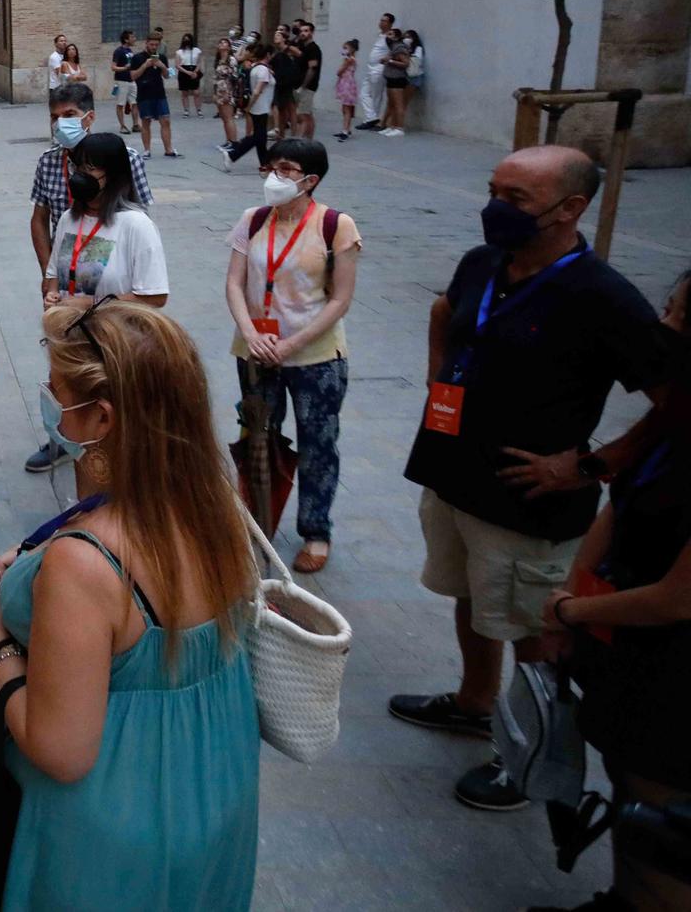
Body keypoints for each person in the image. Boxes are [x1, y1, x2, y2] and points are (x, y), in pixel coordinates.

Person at [390, 146, 671, 812]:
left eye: (514, 197)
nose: (494, 207)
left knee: (531, 627)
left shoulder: (605, 297)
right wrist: (439, 385)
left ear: (570, 208)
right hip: (455, 477)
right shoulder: (482, 263)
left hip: (529, 500)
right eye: (494, 189)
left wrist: (592, 462)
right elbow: (444, 313)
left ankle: (527, 759)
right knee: (471, 596)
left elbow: (675, 403)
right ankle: (473, 700)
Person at [0, 300, 260, 911]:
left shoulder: (87, 562)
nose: (46, 396)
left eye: (57, 389)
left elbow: (62, 750)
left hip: (107, 834)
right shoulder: (217, 511)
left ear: (102, 417)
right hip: (216, 793)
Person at [541, 269, 691, 912]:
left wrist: (572, 608)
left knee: (664, 823)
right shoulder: (675, 413)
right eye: (669, 308)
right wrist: (572, 599)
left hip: (677, 674)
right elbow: (618, 502)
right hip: (628, 645)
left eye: (680, 316)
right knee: (630, 787)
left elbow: (678, 598)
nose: (665, 327)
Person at [224, 139, 362, 573]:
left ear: (310, 180)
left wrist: (289, 345)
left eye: (286, 169)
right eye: (273, 167)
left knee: (318, 441)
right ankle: (257, 520)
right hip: (255, 350)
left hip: (315, 356)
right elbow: (234, 283)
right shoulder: (253, 219)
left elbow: (340, 300)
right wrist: (251, 335)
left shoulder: (336, 226)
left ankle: (316, 531)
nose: (274, 177)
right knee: (258, 438)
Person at [27, 84, 157, 470]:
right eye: (54, 116)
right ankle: (62, 438)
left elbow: (150, 288)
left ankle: (116, 445)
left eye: (67, 115)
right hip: (67, 270)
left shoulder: (125, 169)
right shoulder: (62, 200)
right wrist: (51, 280)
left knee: (108, 369)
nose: (59, 123)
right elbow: (39, 220)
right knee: (64, 363)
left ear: (88, 115)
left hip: (105, 285)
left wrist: (97, 300)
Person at [44, 133, 170, 314]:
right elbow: (54, 272)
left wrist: (89, 303)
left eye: (90, 168)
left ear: (113, 176)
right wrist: (53, 292)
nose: (81, 175)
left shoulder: (137, 225)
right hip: (70, 335)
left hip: (117, 337)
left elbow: (155, 297)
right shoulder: (68, 219)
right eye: (78, 167)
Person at [217, 42, 276, 171]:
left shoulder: (256, 68)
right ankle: (232, 155)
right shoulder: (263, 70)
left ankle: (264, 162)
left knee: (261, 137)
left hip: (259, 107)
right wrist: (249, 106)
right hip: (260, 107)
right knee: (258, 137)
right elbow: (257, 91)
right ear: (267, 55)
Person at [129, 32, 178, 158]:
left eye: (156, 45)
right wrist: (145, 65)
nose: (154, 47)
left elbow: (167, 76)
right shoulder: (137, 58)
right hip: (144, 94)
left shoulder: (162, 57)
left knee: (166, 121)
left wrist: (162, 66)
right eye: (151, 44)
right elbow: (133, 76)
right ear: (146, 43)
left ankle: (169, 149)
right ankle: (147, 150)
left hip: (159, 93)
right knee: (146, 122)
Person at [359, 12, 395, 130]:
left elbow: (395, 49)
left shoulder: (390, 36)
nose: (381, 23)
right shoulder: (379, 35)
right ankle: (371, 117)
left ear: (390, 23)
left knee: (376, 95)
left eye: (384, 21)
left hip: (379, 68)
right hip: (370, 67)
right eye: (381, 20)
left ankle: (373, 120)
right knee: (364, 93)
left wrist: (388, 58)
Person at [269, 23, 303, 140]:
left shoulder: (289, 48)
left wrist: (288, 49)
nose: (275, 38)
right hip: (280, 82)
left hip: (289, 82)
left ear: (284, 38)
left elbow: (299, 55)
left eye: (278, 36)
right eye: (275, 36)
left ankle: (294, 135)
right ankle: (281, 134)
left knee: (291, 108)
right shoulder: (275, 52)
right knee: (282, 109)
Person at [293, 21, 324, 140]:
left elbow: (312, 68)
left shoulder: (313, 49)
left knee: (302, 115)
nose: (303, 33)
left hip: (307, 87)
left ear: (312, 33)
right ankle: (309, 140)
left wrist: (303, 86)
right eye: (301, 31)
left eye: (306, 31)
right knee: (308, 114)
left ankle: (298, 141)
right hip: (300, 86)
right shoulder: (302, 47)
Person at [211, 37, 241, 145]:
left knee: (229, 117)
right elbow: (215, 78)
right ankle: (228, 140)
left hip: (227, 90)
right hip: (219, 90)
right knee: (223, 117)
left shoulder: (231, 59)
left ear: (229, 47)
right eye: (220, 42)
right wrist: (214, 93)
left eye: (225, 42)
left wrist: (228, 93)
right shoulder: (218, 60)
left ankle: (233, 141)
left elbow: (234, 77)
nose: (222, 44)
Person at [110, 29, 138, 133]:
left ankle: (135, 124)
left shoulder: (130, 51)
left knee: (135, 103)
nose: (134, 39)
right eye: (132, 37)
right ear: (126, 40)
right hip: (121, 81)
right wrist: (125, 68)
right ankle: (122, 126)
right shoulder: (118, 51)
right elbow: (113, 67)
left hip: (132, 80)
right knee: (120, 104)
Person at [334, 38, 360, 142]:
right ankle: (346, 129)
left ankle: (345, 130)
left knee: (347, 109)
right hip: (345, 83)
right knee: (345, 108)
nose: (343, 50)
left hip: (347, 84)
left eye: (346, 48)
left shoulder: (349, 60)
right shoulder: (349, 59)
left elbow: (339, 71)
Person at [175, 32, 204, 118]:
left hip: (194, 70)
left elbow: (199, 62)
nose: (186, 41)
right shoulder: (179, 52)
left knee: (196, 92)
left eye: (188, 39)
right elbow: (177, 65)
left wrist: (195, 72)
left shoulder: (197, 50)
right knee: (185, 93)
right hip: (183, 71)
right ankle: (186, 110)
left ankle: (199, 110)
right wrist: (187, 72)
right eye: (185, 39)